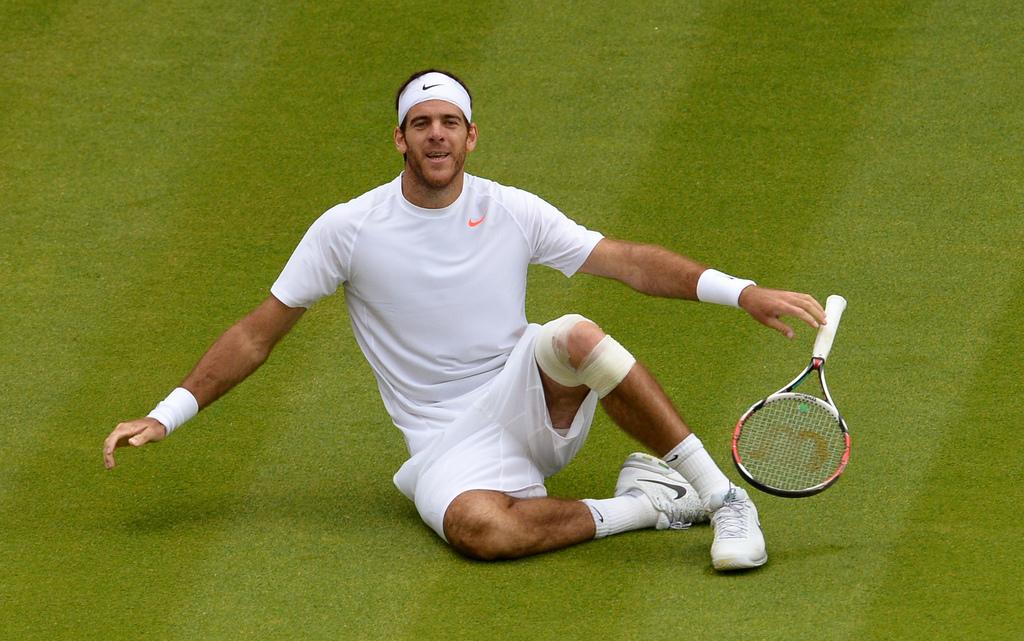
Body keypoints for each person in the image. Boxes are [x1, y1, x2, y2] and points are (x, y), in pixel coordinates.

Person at [103, 69, 825, 569]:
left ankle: (724, 497)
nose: (437, 136)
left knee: (572, 332)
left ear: (471, 136)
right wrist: (168, 413)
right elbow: (258, 331)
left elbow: (628, 260)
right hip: (444, 441)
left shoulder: (511, 208)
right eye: (421, 124)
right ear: (400, 140)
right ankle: (652, 504)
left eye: (450, 122)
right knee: (482, 531)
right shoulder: (347, 229)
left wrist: (743, 290)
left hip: (529, 395)